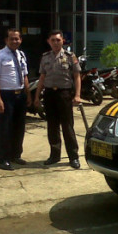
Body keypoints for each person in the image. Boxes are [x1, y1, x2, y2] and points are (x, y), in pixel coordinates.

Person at [34, 29, 82, 169]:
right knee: (52, 126)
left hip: (64, 94)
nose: (55, 42)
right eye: (52, 40)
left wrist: (77, 95)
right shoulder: (45, 57)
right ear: (48, 42)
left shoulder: (70, 56)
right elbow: (42, 77)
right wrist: (37, 96)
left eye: (58, 40)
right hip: (49, 95)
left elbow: (77, 76)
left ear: (63, 41)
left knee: (67, 127)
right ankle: (54, 155)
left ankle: (73, 157)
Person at [0, 28, 31, 171]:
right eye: (12, 39)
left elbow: (25, 76)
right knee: (5, 128)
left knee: (19, 127)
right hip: (6, 95)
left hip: (20, 95)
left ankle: (15, 155)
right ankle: (2, 159)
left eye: (17, 39)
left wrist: (28, 94)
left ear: (21, 40)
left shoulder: (21, 55)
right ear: (6, 40)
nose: (15, 41)